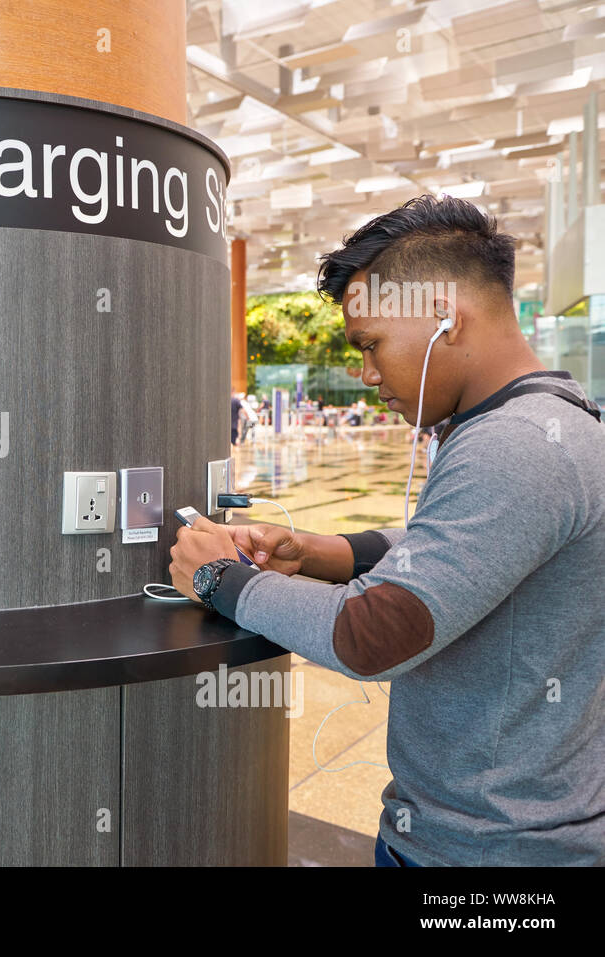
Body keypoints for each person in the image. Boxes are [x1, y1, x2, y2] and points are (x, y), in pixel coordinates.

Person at [168, 195, 605, 866]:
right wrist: (318, 552)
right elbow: (452, 548)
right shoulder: (541, 419)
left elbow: (373, 636)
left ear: (442, 318)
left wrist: (217, 576)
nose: (368, 375)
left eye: (370, 344)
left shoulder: (515, 445)